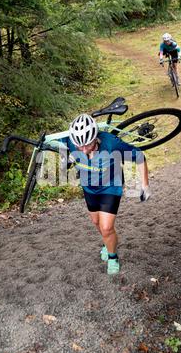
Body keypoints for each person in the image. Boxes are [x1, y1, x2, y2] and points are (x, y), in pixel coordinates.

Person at [59, 113, 150, 275]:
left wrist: (145, 185)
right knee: (96, 222)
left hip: (111, 187)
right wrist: (65, 157)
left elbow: (140, 157)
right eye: (80, 147)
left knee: (106, 228)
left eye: (88, 145)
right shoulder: (70, 140)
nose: (84, 150)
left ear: (96, 137)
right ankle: (107, 243)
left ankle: (113, 256)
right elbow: (53, 145)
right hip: (89, 188)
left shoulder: (111, 143)